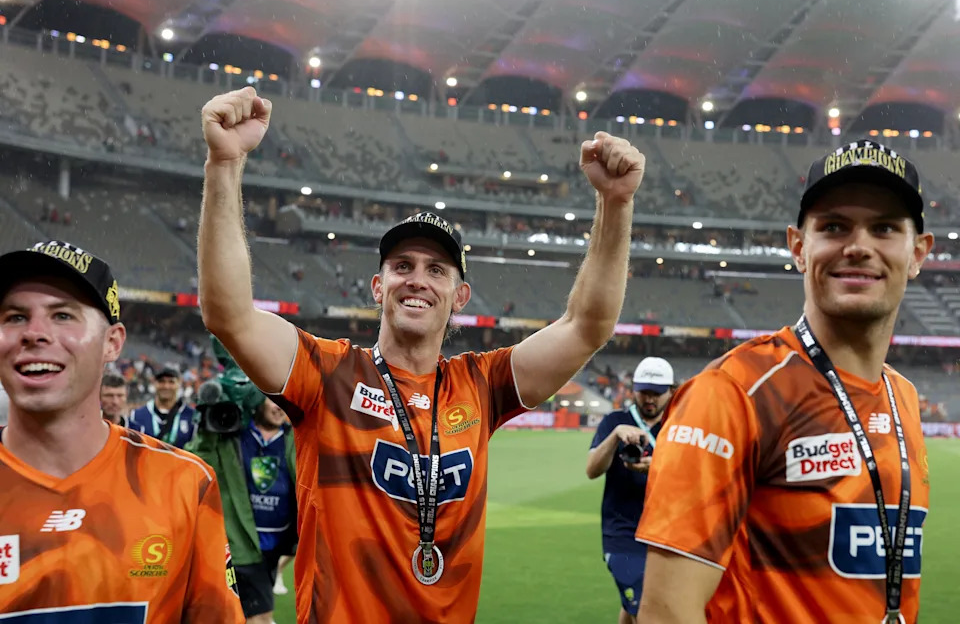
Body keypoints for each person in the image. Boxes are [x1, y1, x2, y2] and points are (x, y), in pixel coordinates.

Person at [197, 86, 645, 622]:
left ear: (461, 296)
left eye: (437, 270)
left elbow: (587, 326)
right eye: (402, 266)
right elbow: (229, 314)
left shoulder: (483, 383)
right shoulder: (328, 374)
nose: (417, 280)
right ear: (377, 286)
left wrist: (615, 204)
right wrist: (225, 163)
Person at [636, 139, 934, 624]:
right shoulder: (734, 391)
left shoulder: (905, 398)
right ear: (798, 246)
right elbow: (667, 611)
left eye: (884, 228)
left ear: (918, 252)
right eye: (834, 227)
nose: (859, 247)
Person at [0, 239, 243, 622]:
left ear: (113, 343)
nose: (34, 333)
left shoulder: (184, 484)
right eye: (14, 316)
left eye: (62, 315)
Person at [188, 338, 297, 624]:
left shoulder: (295, 439)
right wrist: (208, 425)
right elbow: (199, 460)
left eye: (284, 400)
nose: (279, 406)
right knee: (257, 617)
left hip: (276, 545)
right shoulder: (234, 435)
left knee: (250, 614)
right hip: (241, 545)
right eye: (272, 398)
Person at [586, 357, 676, 624]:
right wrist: (614, 436)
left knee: (633, 605)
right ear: (633, 388)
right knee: (645, 608)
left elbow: (697, 477)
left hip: (665, 533)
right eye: (644, 391)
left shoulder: (678, 426)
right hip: (622, 532)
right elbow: (592, 470)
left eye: (657, 393)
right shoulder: (616, 420)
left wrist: (657, 467)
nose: (649, 399)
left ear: (671, 391)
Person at [129, 364, 198, 448]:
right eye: (161, 381)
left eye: (171, 382)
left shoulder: (191, 416)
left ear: (179, 384)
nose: (166, 386)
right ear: (154, 383)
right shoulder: (137, 415)